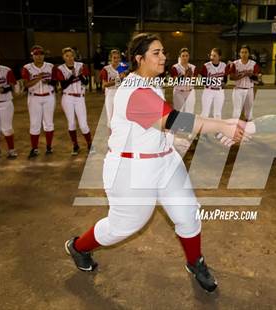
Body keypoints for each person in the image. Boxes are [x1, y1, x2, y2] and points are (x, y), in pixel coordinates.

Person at [64, 33, 247, 293]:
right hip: (131, 169)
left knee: (188, 214)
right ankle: (78, 247)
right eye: (156, 53)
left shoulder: (150, 81)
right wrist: (223, 125)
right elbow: (174, 121)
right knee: (124, 226)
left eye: (163, 52)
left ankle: (195, 262)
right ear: (140, 59)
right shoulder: (135, 90)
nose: (164, 57)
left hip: (164, 160)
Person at [55, 47, 93, 155]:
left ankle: (90, 144)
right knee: (71, 123)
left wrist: (79, 75)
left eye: (71, 55)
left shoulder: (81, 65)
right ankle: (75, 145)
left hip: (80, 97)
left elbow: (85, 82)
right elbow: (63, 85)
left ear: (74, 56)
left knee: (83, 125)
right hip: (67, 98)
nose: (70, 58)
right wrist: (74, 75)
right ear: (63, 57)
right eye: (67, 56)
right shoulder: (60, 68)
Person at [21, 45, 57, 158]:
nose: (39, 56)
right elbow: (26, 84)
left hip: (49, 97)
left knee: (49, 123)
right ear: (32, 55)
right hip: (34, 98)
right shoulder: (27, 68)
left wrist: (49, 81)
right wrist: (39, 78)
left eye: (41, 54)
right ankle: (34, 148)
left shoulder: (50, 66)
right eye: (36, 54)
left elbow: (56, 82)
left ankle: (49, 147)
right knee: (35, 123)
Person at [229, 45, 261, 121]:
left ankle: (247, 130)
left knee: (249, 114)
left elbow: (257, 79)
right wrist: (243, 75)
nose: (243, 54)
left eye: (246, 52)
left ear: (249, 54)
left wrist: (251, 75)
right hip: (238, 89)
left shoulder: (253, 64)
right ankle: (235, 130)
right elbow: (231, 77)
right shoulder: (235, 64)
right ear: (239, 53)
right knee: (236, 113)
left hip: (249, 90)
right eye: (242, 52)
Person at [100, 49, 127, 128]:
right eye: (114, 58)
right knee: (111, 119)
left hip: (120, 93)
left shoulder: (121, 68)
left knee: (121, 118)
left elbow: (124, 81)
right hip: (110, 94)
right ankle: (111, 138)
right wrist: (118, 80)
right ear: (110, 58)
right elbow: (104, 85)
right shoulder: (106, 69)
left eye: (118, 58)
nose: (116, 60)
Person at [0, 52, 18, 159]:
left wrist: (3, 89)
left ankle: (11, 150)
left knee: (6, 128)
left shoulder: (6, 70)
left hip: (5, 102)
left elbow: (14, 87)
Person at [200, 48, 228, 119]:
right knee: (205, 112)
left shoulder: (224, 65)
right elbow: (203, 81)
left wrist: (224, 83)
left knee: (218, 113)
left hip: (219, 91)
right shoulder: (206, 66)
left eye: (214, 56)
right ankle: (203, 129)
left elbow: (225, 78)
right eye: (211, 55)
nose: (212, 57)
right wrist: (217, 81)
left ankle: (218, 129)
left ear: (219, 57)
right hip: (208, 91)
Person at [170, 48, 198, 113]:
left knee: (190, 113)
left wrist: (190, 76)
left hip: (190, 92)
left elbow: (195, 81)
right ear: (180, 56)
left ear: (189, 56)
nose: (185, 58)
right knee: (179, 113)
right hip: (179, 92)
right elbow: (174, 81)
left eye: (186, 55)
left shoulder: (193, 67)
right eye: (183, 56)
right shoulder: (175, 67)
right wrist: (184, 76)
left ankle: (187, 123)